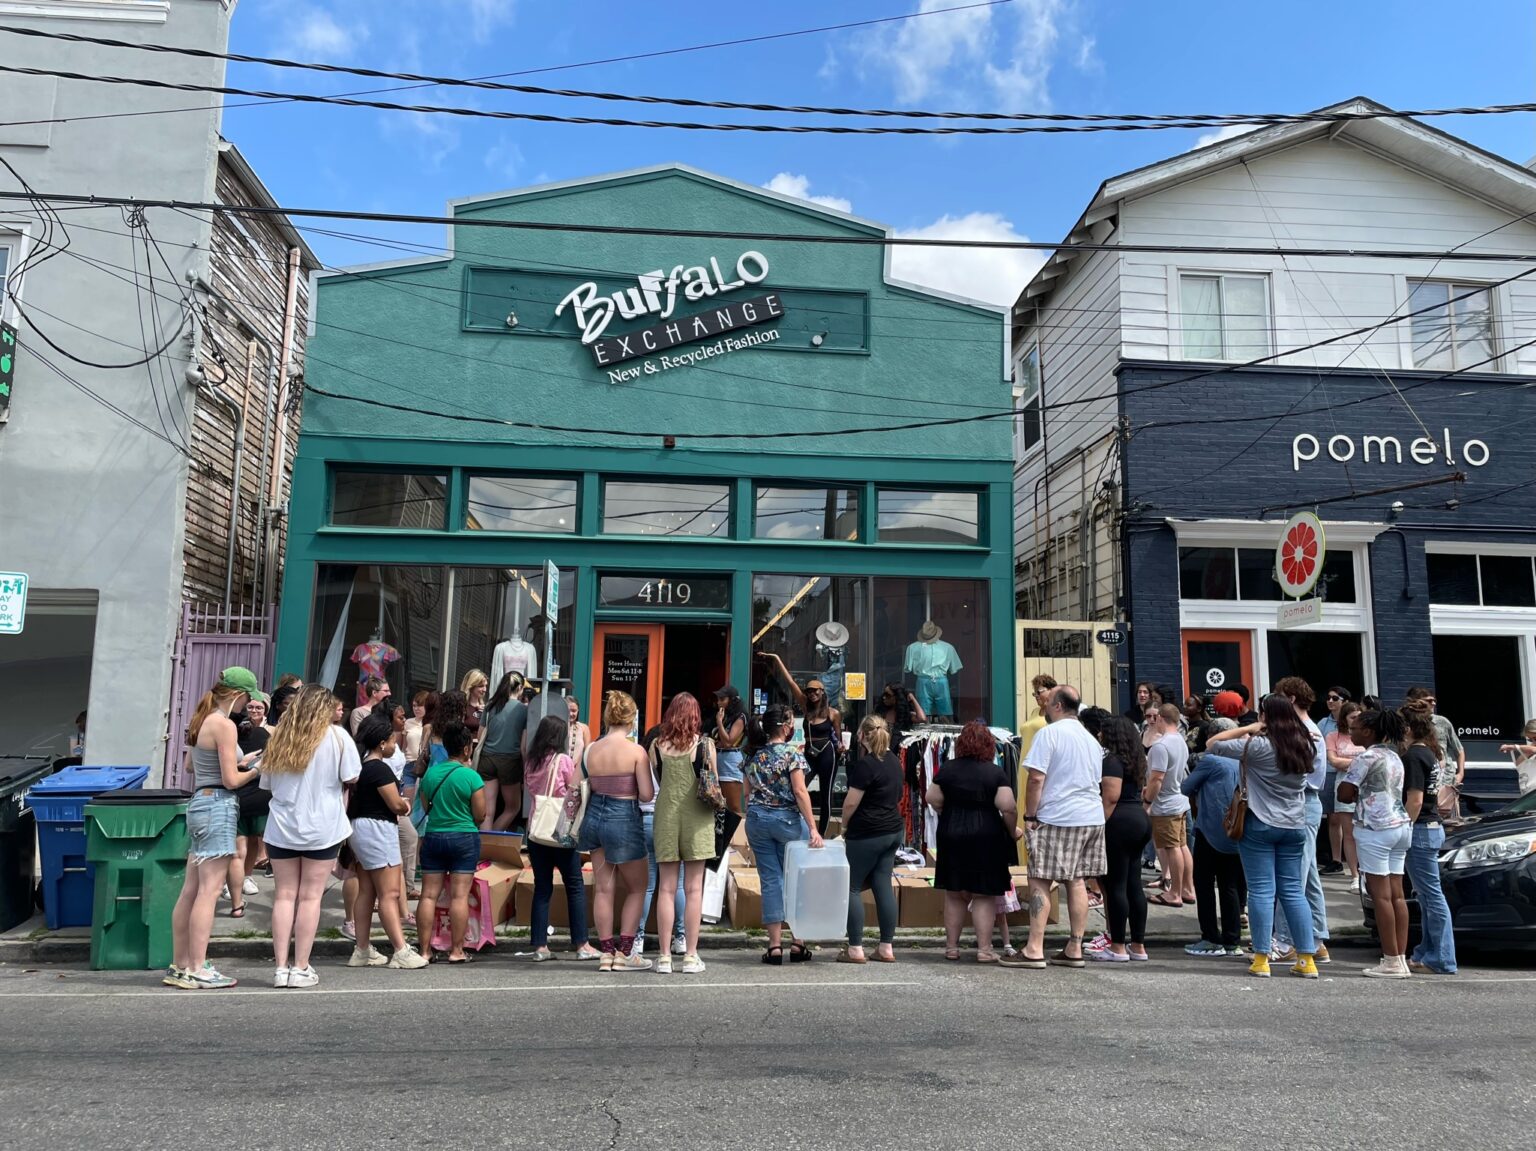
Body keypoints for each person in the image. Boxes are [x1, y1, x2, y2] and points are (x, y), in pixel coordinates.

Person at [1205, 696, 1319, 979]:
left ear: (1266, 716)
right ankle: (1306, 958)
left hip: (1259, 822)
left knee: (1261, 891)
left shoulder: (1257, 746)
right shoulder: (1306, 745)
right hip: (1294, 824)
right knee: (1293, 891)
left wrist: (1252, 727)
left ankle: (1261, 958)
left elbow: (1213, 743)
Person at [165, 667, 260, 989]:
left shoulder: (202, 720)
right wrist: (259, 768)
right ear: (236, 694)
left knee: (191, 889)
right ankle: (198, 967)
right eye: (247, 700)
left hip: (200, 802)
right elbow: (231, 780)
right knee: (208, 891)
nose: (247, 706)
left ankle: (180, 964)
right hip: (218, 805)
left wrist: (240, 763)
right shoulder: (224, 725)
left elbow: (193, 766)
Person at [262, 683, 362, 989]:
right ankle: (301, 966)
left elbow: (266, 783)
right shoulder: (338, 737)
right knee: (310, 897)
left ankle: (280, 968)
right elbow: (352, 776)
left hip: (282, 825)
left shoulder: (279, 735)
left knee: (284, 896)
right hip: (322, 825)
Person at [1001, 686, 1105, 970]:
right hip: (1091, 817)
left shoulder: (1049, 734)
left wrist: (1030, 816)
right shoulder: (1091, 739)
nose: (1044, 707)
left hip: (1058, 816)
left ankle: (1034, 948)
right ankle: (1075, 946)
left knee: (1040, 880)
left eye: (1047, 702)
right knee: (1077, 881)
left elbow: (1036, 779)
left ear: (1057, 706)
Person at [927, 719, 1017, 964]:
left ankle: (951, 948)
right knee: (983, 894)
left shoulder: (948, 769)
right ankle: (984, 950)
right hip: (986, 834)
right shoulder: (995, 772)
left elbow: (931, 797)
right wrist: (1011, 831)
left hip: (951, 832)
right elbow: (1008, 807)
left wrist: (947, 810)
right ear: (989, 745)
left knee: (954, 892)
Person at [579, 691, 656, 971]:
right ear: (632, 718)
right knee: (637, 887)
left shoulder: (591, 750)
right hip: (623, 816)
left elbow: (577, 784)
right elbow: (647, 795)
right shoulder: (636, 751)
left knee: (603, 888)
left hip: (594, 816)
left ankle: (605, 952)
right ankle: (625, 952)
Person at [347, 715, 429, 970]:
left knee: (367, 891)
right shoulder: (379, 768)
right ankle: (400, 949)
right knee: (389, 893)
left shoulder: (360, 766)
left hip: (359, 829)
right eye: (393, 739)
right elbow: (395, 804)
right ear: (382, 743)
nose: (396, 744)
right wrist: (405, 804)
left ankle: (361, 949)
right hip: (378, 829)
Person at [745, 704, 824, 965]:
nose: (792, 727)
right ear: (784, 727)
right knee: (796, 879)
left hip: (758, 820)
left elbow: (746, 792)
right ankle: (798, 942)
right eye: (790, 722)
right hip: (787, 821)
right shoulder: (792, 755)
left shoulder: (754, 755)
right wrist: (813, 827)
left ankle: (774, 946)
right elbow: (801, 792)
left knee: (771, 879)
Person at [1339, 707, 1412, 979]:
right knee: (1397, 894)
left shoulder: (1365, 757)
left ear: (1368, 731)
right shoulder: (1394, 756)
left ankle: (1391, 960)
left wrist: (1347, 787)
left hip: (1375, 828)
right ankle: (1400, 957)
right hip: (1400, 825)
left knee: (1379, 895)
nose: (1351, 732)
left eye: (1355, 729)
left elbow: (1345, 794)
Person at [522, 715, 602, 962]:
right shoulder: (564, 761)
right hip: (560, 830)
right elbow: (573, 790)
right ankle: (581, 944)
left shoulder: (531, 762)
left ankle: (540, 947)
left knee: (542, 888)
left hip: (537, 831)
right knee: (575, 886)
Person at [648, 694, 716, 974]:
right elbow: (713, 781)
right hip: (697, 818)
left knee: (665, 887)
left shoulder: (656, 745)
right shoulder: (705, 745)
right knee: (693, 889)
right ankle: (689, 955)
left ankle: (664, 956)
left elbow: (658, 777)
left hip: (665, 815)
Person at [1269, 676, 1331, 965]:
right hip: (1308, 803)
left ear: (1291, 699)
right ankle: (1316, 938)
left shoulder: (1303, 731)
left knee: (1291, 876)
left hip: (1301, 803)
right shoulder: (1312, 728)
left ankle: (1284, 940)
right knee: (1309, 878)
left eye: (1279, 696)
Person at [415, 722, 486, 965]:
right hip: (464, 838)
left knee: (428, 896)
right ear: (467, 749)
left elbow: (425, 806)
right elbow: (480, 814)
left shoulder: (430, 775)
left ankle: (424, 951)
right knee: (459, 897)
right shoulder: (472, 777)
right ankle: (456, 950)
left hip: (434, 836)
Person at [840, 715, 902, 964]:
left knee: (851, 887)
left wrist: (844, 826)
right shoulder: (895, 761)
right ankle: (886, 947)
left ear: (863, 736)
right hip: (892, 830)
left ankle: (855, 948)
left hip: (867, 833)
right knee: (882, 884)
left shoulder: (866, 764)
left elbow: (851, 803)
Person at [1402, 703, 1457, 976]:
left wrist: (1403, 829)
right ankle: (1427, 951)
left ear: (1409, 729)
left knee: (1431, 896)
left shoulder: (1413, 756)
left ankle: (1443, 957)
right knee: (1425, 895)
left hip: (1420, 828)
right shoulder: (1429, 753)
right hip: (1432, 827)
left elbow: (1415, 799)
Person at [1093, 716, 1151, 963]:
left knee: (1115, 884)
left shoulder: (1112, 761)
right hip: (1139, 819)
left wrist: (1098, 826)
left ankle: (1117, 946)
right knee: (1133, 884)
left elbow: (1111, 797)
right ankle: (1138, 945)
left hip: (1118, 822)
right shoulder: (1138, 760)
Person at [1181, 744, 1247, 956]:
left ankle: (1210, 937)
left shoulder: (1211, 761)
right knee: (1231, 886)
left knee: (1205, 884)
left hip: (1211, 829)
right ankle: (1232, 941)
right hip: (1237, 829)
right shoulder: (1243, 762)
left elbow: (1185, 787)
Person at [1143, 703, 1194, 908]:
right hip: (1179, 800)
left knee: (1172, 848)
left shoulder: (1161, 746)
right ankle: (1188, 889)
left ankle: (1174, 893)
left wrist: (1147, 801)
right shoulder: (1180, 740)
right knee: (1181, 846)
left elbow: (1156, 779)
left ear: (1161, 719)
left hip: (1165, 803)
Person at [228, 696, 272, 917]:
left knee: (244, 845)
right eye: (251, 707)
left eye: (259, 707)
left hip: (244, 792)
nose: (254, 710)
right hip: (253, 791)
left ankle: (239, 887)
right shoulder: (260, 734)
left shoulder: (266, 733)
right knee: (247, 842)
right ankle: (242, 879)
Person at [1405, 687, 1465, 821]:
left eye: (1434, 700)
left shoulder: (1442, 722)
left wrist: (1460, 773)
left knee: (1450, 820)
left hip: (1445, 780)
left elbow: (1459, 749)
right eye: (1429, 700)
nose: (1433, 703)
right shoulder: (1408, 725)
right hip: (1423, 781)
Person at [478, 672, 528, 832]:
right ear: (520, 687)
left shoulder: (490, 705)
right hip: (510, 761)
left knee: (488, 811)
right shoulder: (523, 710)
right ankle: (493, 840)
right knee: (513, 807)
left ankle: (484, 848)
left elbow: (480, 736)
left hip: (487, 759)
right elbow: (524, 746)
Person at [1326, 701, 1364, 885]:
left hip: (1366, 786)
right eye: (1352, 717)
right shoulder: (1333, 736)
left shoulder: (1366, 735)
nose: (1356, 720)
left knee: (1365, 829)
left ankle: (1366, 872)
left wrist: (1346, 761)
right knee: (1348, 832)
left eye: (1359, 716)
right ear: (1344, 719)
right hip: (1344, 785)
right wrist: (1361, 761)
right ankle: (1355, 875)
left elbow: (1375, 756)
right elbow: (1333, 761)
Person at [711, 684, 749, 817]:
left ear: (732, 700)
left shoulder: (740, 716)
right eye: (718, 699)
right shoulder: (725, 715)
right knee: (717, 804)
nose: (719, 702)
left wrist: (719, 723)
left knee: (733, 806)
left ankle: (735, 837)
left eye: (722, 699)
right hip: (717, 758)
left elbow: (728, 742)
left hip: (730, 759)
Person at [1020, 675, 1057, 757]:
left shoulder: (1056, 713)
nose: (1036, 695)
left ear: (1051, 690)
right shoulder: (1035, 712)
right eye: (1034, 693)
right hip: (1025, 762)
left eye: (1039, 692)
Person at [460, 669, 489, 741]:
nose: (485, 689)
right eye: (481, 686)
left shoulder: (485, 708)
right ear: (471, 686)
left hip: (480, 749)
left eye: (485, 686)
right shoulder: (462, 706)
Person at [403, 691, 429, 763]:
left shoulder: (431, 724)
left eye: (420, 705)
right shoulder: (408, 722)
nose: (416, 708)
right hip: (408, 762)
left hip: (425, 764)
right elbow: (404, 746)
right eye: (414, 706)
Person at [567, 696, 591, 763]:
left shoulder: (583, 728)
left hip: (576, 770)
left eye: (574, 711)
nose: (571, 714)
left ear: (578, 711)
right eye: (568, 710)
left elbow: (587, 753)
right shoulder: (557, 727)